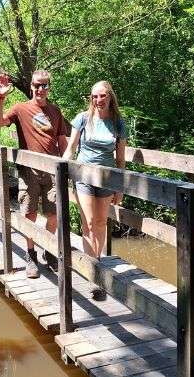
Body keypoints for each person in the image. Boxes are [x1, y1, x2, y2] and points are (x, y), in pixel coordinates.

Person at [0, 70, 68, 278]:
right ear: (31, 86)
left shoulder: (55, 111)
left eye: (44, 85)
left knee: (54, 214)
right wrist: (0, 98)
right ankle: (31, 254)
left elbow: (63, 142)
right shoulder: (20, 108)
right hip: (29, 172)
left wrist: (67, 168)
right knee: (29, 214)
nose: (40, 89)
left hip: (52, 172)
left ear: (49, 87)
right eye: (36, 85)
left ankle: (48, 249)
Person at [62, 80, 127, 300]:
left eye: (102, 96)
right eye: (94, 96)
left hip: (108, 178)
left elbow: (120, 159)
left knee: (100, 222)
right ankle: (93, 272)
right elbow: (71, 148)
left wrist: (120, 187)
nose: (98, 100)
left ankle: (97, 262)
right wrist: (60, 170)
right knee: (88, 222)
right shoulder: (82, 118)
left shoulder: (118, 123)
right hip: (83, 175)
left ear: (110, 97)